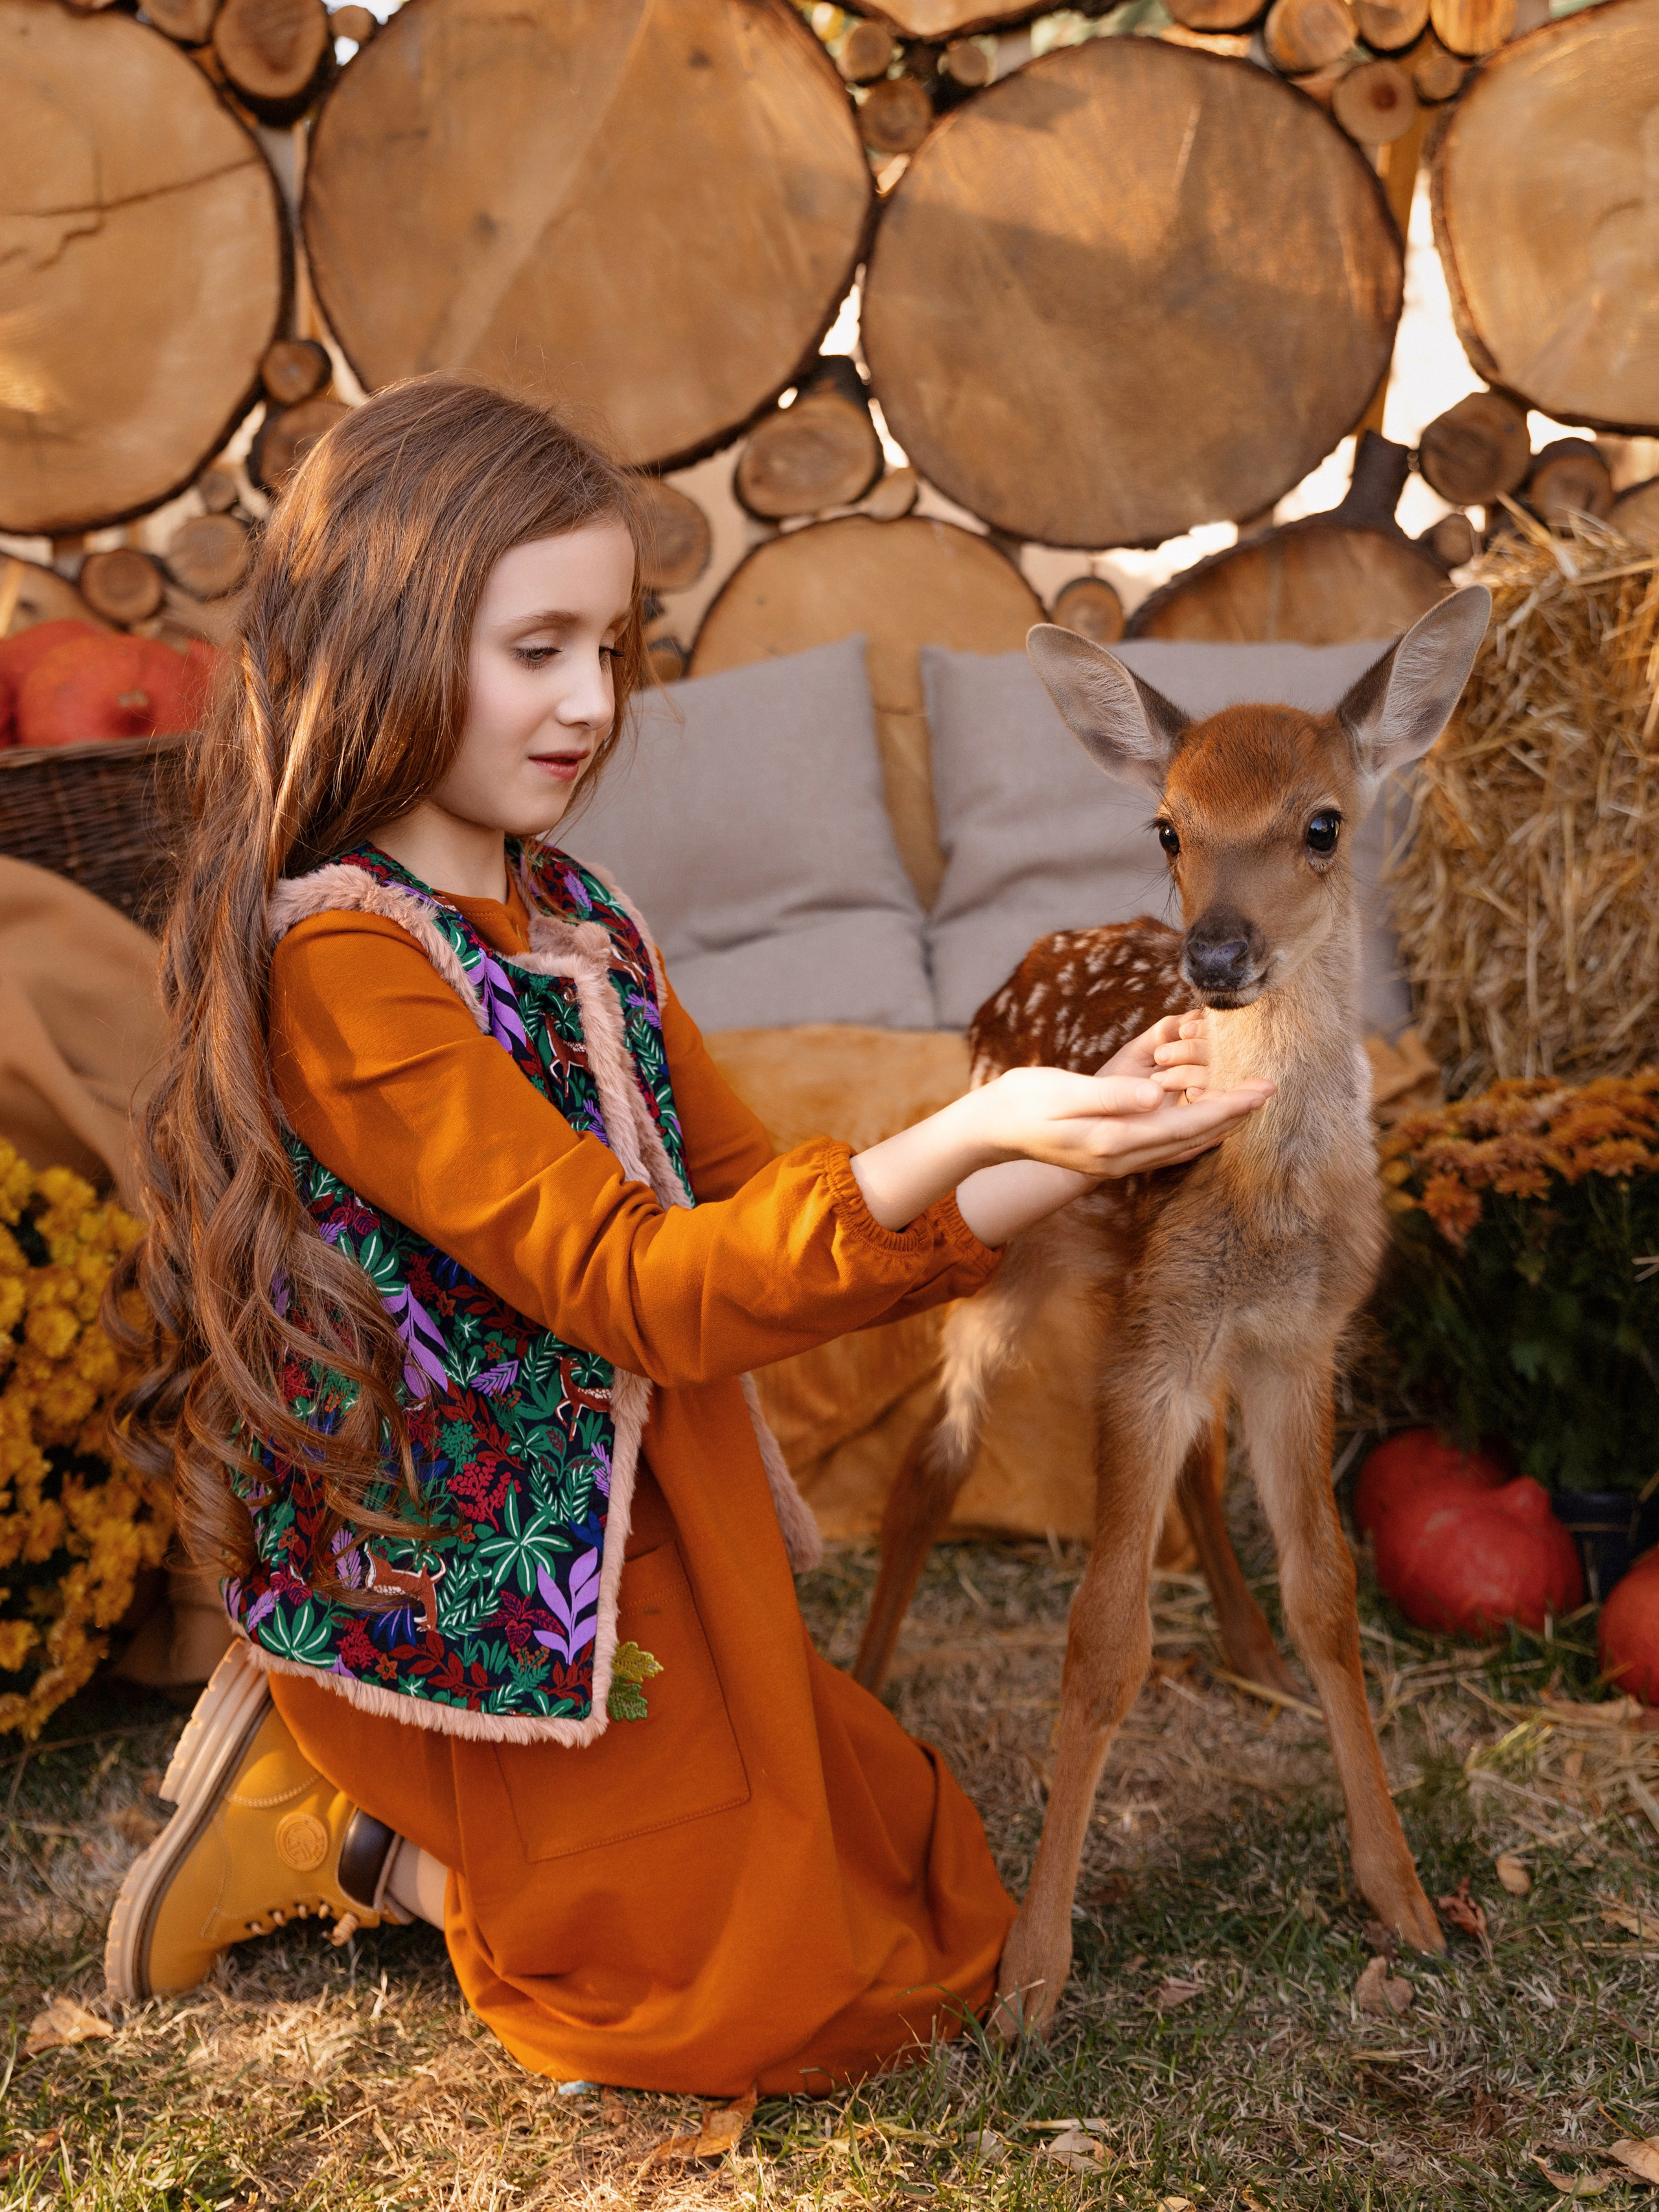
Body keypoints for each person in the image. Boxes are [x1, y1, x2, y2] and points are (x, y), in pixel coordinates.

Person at [104, 377, 1271, 2095]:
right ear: (385, 642)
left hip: (649, 1528)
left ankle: (475, 1823)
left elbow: (758, 1211)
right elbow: (637, 1290)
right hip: (474, 1576)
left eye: (610, 646)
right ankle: (354, 1835)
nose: (593, 702)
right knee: (748, 2013)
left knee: (921, 1895)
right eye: (537, 650)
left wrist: (1072, 1140)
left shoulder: (581, 918)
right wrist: (970, 1129)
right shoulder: (344, 966)